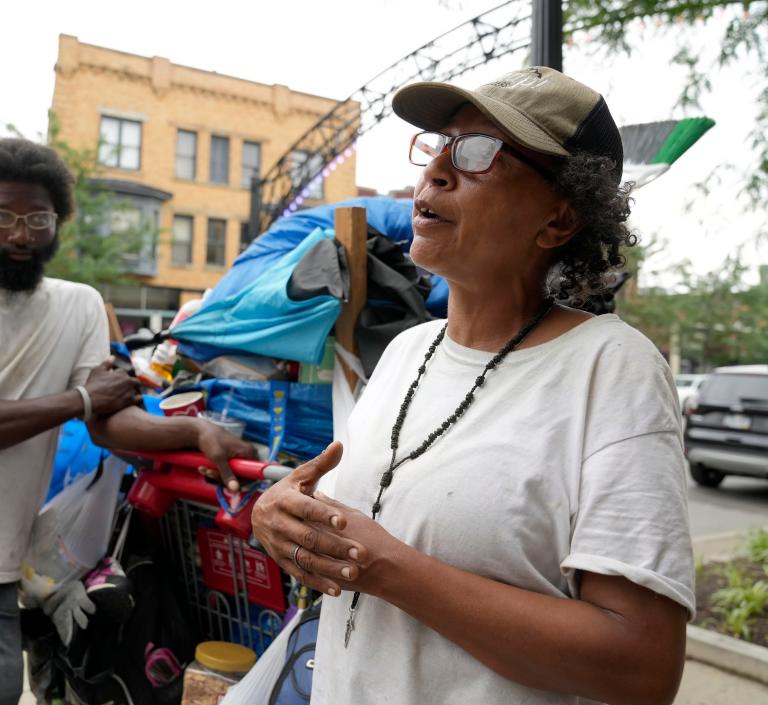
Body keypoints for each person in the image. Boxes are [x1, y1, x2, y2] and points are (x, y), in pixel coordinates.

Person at [252, 67, 694, 705]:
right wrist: (284, 519)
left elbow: (641, 666)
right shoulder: (408, 351)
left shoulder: (612, 368)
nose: (435, 172)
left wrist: (388, 570)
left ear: (560, 220)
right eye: (437, 146)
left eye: (479, 153)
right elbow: (362, 535)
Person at [0, 137, 254, 705]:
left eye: (39, 217)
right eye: (3, 215)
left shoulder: (79, 304)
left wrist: (194, 431)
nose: (21, 234)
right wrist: (79, 400)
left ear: (59, 221)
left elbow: (111, 422)